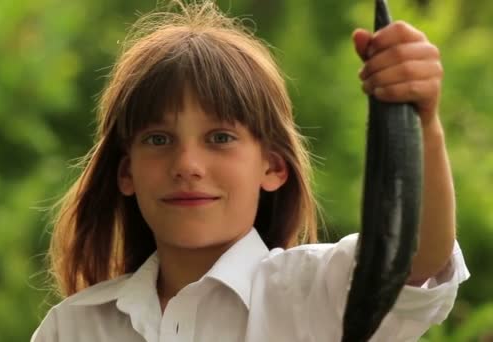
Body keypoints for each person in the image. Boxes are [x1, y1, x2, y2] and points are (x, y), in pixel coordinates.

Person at [31, 1, 469, 341]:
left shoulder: (318, 292)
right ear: (126, 173)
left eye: (220, 138)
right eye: (159, 140)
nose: (187, 165)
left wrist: (422, 121)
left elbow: (412, 256)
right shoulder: (71, 328)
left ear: (274, 167)